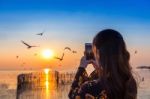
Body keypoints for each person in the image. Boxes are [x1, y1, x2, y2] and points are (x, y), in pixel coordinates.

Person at [68, 29, 137, 99]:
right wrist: (99, 69)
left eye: (94, 52)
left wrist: (81, 68)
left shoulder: (89, 88)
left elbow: (72, 95)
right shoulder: (129, 82)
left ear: (99, 54)